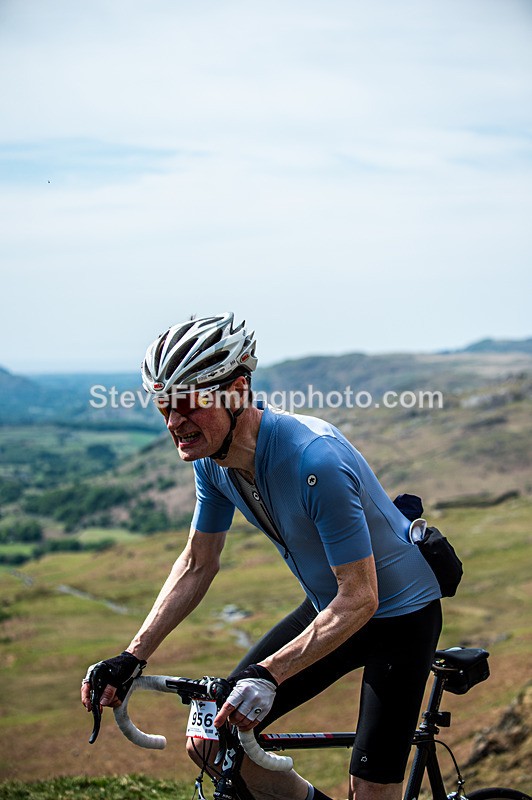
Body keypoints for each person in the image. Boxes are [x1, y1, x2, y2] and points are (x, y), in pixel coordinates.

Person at [81, 312, 442, 800]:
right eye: (163, 406)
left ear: (236, 390)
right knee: (211, 739)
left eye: (187, 403)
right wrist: (132, 656)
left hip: (398, 618)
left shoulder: (315, 461)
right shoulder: (215, 462)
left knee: (371, 790)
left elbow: (361, 598)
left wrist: (270, 674)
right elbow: (197, 563)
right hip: (328, 607)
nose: (173, 423)